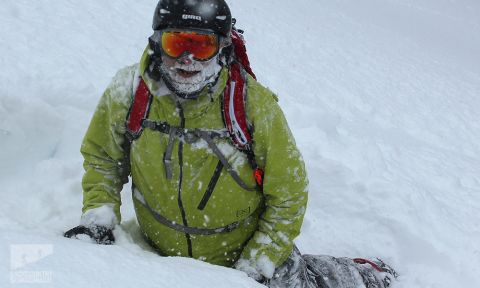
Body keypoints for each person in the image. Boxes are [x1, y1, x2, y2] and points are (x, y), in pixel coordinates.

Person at [64, 0, 397, 287]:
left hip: (244, 259)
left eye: (202, 46)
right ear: (156, 43)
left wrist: (258, 261)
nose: (187, 60)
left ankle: (360, 276)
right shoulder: (129, 91)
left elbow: (289, 191)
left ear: (222, 48)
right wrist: (99, 218)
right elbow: (102, 157)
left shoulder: (251, 104)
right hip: (159, 258)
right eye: (176, 43)